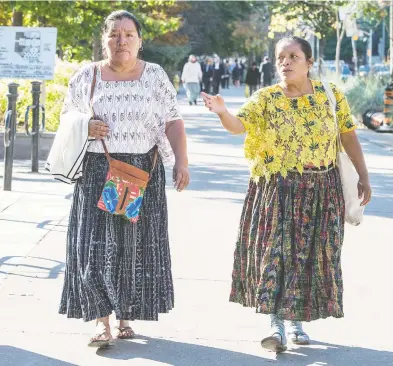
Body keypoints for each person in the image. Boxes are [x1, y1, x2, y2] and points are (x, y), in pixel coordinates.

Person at [202, 36, 371, 353]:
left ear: (309, 63)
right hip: (280, 187)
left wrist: (363, 175)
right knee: (277, 254)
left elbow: (347, 134)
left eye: (293, 56)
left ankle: (297, 321)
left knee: (308, 257)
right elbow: (239, 126)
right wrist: (222, 112)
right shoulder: (266, 98)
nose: (286, 62)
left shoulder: (329, 95)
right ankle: (276, 325)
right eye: (281, 57)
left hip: (323, 187)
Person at [47, 10, 190, 348]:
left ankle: (126, 314)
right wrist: (86, 125)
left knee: (133, 248)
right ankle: (100, 322)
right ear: (104, 41)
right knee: (95, 248)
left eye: (128, 34)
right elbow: (67, 118)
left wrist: (182, 162)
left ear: (139, 41)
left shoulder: (154, 75)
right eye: (114, 34)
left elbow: (173, 121)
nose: (121, 40)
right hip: (98, 171)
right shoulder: (86, 76)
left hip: (142, 171)